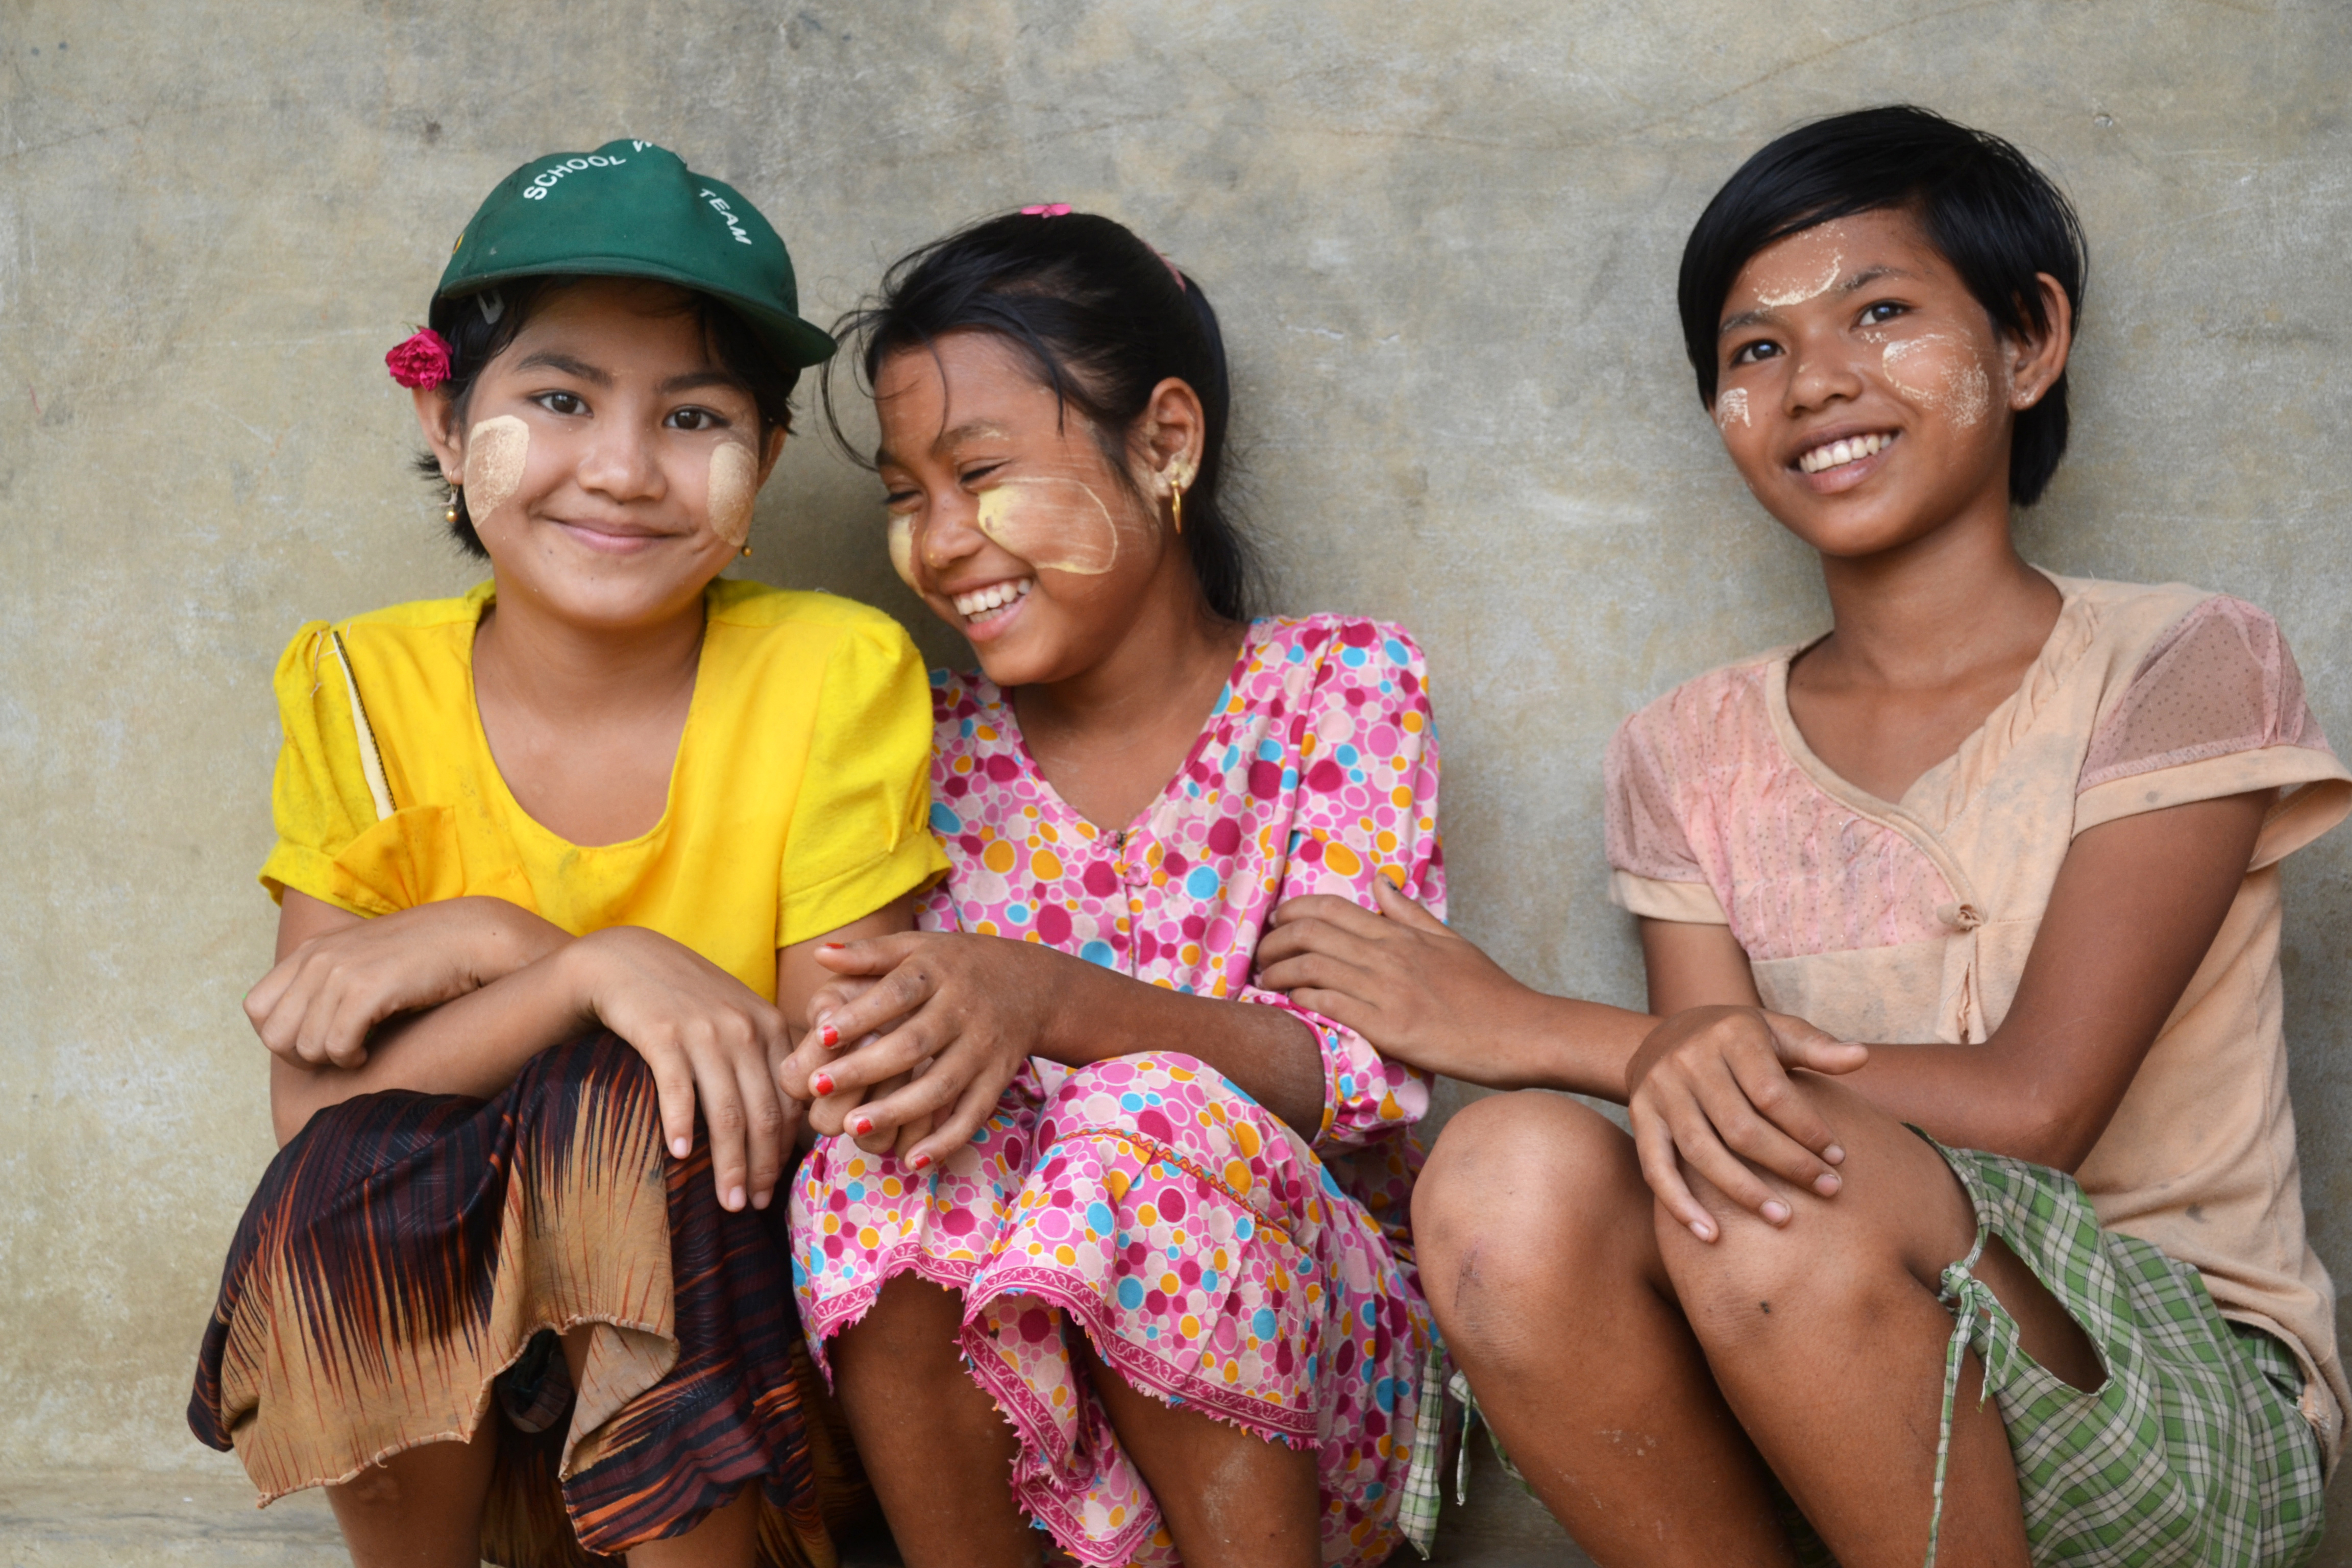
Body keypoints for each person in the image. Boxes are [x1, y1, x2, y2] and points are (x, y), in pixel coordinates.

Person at [1256, 106, 2347, 1567]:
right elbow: (1709, 1127)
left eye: (1882, 312)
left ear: (2028, 342)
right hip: (1827, 1400)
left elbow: (2038, 1107)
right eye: (1754, 349)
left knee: (1776, 1176)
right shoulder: (1684, 750)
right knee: (1513, 1174)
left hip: (2176, 1403)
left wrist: (1521, 1025)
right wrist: (1627, 1068)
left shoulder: (2184, 663)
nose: (1816, 380)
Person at [188, 141, 948, 1568]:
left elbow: (831, 1095)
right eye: (556, 399)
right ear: (441, 414)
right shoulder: (360, 684)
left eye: (694, 416)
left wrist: (544, 979)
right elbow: (312, 1114)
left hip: (750, 1412)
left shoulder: (833, 671)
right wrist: (562, 960)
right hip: (477, 1443)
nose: (621, 469)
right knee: (386, 1144)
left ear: (767, 459)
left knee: (615, 1104)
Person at [776, 209, 1442, 1568]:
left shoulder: (1337, 693)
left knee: (1148, 1115)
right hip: (1017, 1401)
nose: (946, 541)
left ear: (1168, 441)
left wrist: (1044, 999)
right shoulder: (919, 739)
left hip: (1318, 1383)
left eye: (982, 472)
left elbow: (1349, 1072)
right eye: (909, 496)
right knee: (881, 1152)